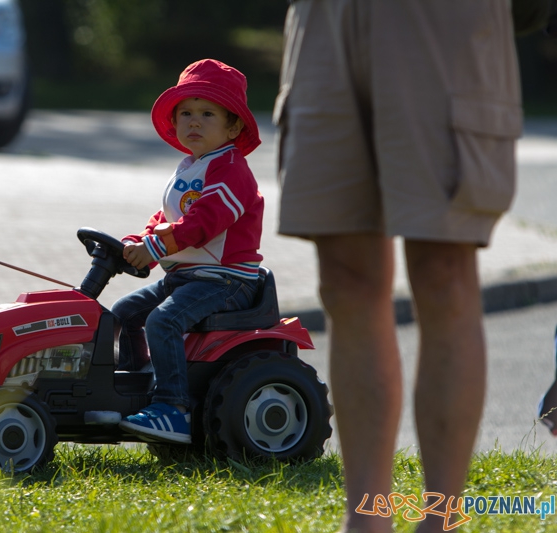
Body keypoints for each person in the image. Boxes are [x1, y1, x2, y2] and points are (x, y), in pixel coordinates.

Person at [274, 2, 521, 532]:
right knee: (344, 279)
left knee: (444, 272)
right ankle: (366, 521)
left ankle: (441, 521)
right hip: (326, 18)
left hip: (442, 19)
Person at [114, 59, 264, 444]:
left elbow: (204, 222)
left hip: (227, 280)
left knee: (162, 322)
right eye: (186, 113)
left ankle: (173, 408)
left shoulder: (232, 170)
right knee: (124, 313)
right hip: (186, 278)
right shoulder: (190, 167)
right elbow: (167, 216)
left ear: (233, 126)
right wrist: (139, 240)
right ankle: (132, 387)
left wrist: (155, 247)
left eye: (207, 113)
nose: (194, 122)